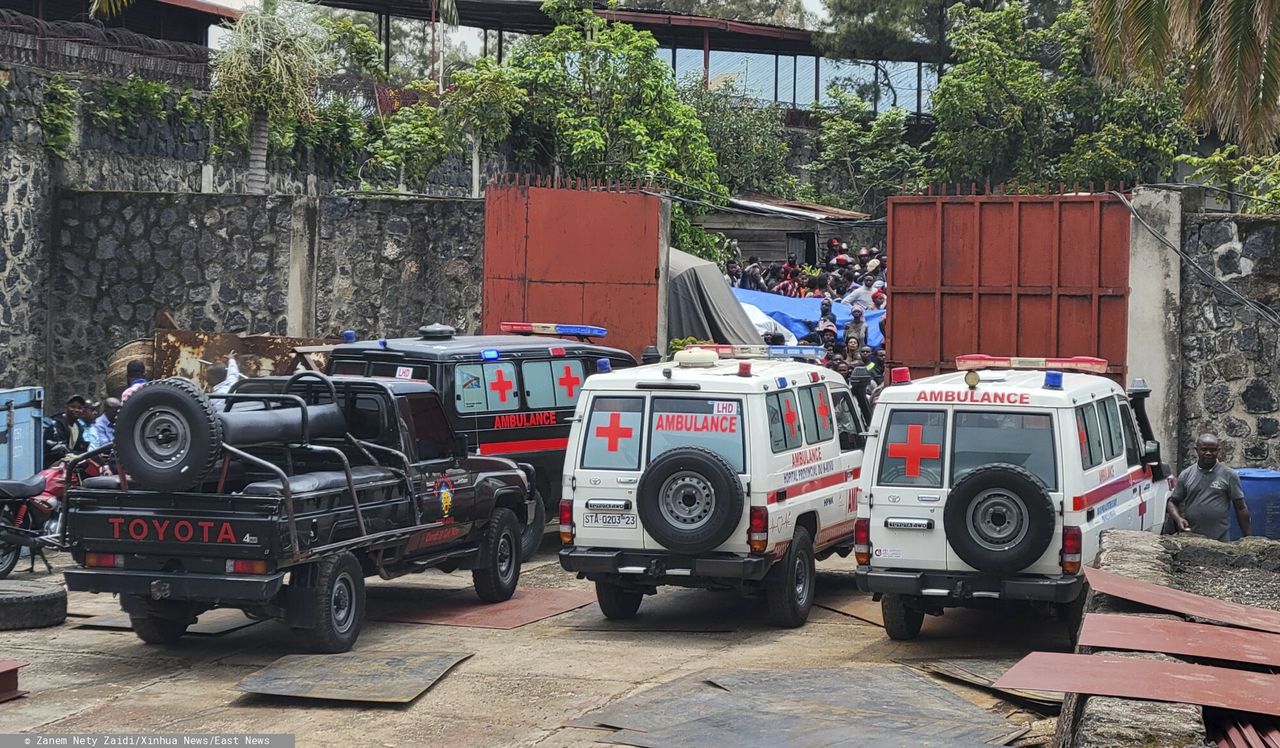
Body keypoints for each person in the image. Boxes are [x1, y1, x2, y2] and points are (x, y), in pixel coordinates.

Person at [1166, 434, 1251, 541]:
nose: (1208, 453)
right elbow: (1172, 502)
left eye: (1213, 450)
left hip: (1220, 540)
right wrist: (1178, 519)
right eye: (1204, 449)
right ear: (1197, 450)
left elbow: (1241, 508)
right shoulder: (1186, 474)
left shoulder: (1229, 475)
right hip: (1192, 538)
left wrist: (1248, 537)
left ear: (1218, 450)